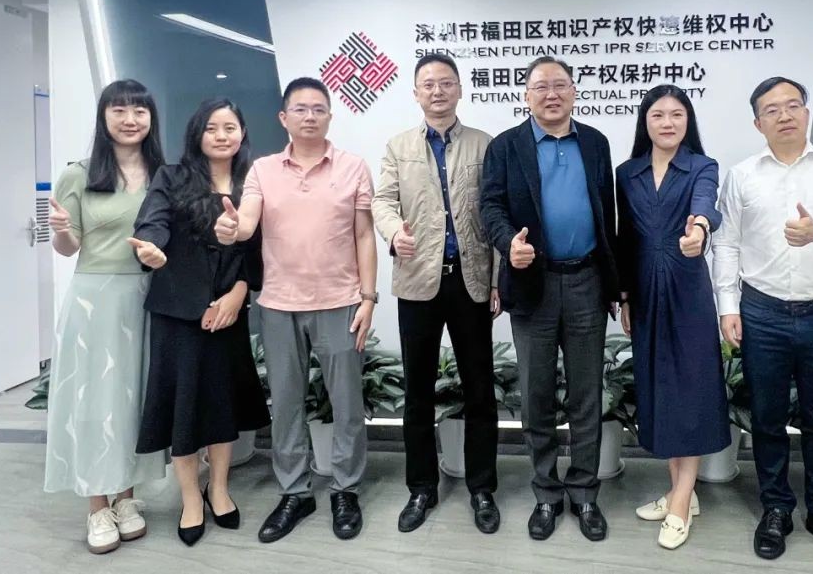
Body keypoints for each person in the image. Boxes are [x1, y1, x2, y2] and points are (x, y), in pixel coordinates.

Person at [214, 77, 378, 543]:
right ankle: (295, 491)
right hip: (279, 306)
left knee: (346, 404)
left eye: (318, 109)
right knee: (286, 404)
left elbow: (364, 235)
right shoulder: (263, 170)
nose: (310, 116)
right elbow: (247, 222)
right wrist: (232, 229)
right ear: (283, 118)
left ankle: (345, 489)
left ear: (330, 116)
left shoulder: (353, 167)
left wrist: (368, 298)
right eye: (300, 109)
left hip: (340, 302)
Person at [713, 76, 813, 568]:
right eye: (772, 109)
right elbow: (727, 242)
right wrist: (728, 306)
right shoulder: (742, 175)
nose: (784, 115)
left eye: (792, 105)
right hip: (762, 312)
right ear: (758, 123)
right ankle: (776, 508)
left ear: (806, 112)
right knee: (767, 417)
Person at [480, 55, 619, 543]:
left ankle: (584, 492)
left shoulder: (595, 143)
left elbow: (607, 217)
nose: (551, 94)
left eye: (560, 85)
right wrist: (508, 245)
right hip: (532, 286)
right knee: (536, 394)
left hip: (587, 282)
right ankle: (546, 492)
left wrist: (615, 286)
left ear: (574, 91)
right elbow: (490, 206)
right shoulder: (506, 146)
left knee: (586, 394)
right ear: (526, 95)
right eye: (541, 87)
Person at [372, 53, 501, 534]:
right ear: (416, 93)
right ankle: (421, 488)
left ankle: (482, 488)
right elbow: (382, 201)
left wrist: (497, 281)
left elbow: (497, 211)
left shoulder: (484, 144)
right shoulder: (398, 146)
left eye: (446, 83)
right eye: (428, 84)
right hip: (418, 282)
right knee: (418, 392)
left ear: (460, 89)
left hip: (470, 280)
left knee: (480, 390)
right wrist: (393, 232)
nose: (438, 91)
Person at [132, 98, 270, 546]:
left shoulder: (254, 183)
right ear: (197, 134)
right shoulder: (171, 177)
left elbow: (258, 250)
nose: (221, 135)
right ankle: (191, 497)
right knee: (185, 408)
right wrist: (150, 248)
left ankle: (220, 488)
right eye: (212, 128)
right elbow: (152, 224)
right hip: (178, 313)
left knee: (222, 404)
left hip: (229, 312)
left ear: (242, 133)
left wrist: (238, 293)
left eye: (230, 127)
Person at [44, 79, 167, 554]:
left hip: (146, 297)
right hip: (95, 300)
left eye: (139, 110)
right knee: (96, 401)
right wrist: (59, 230)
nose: (130, 119)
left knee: (133, 399)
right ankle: (97, 504)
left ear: (151, 118)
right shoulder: (78, 175)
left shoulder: (163, 174)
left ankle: (126, 497)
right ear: (104, 117)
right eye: (119, 110)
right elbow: (68, 247)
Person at [615, 85, 730, 550]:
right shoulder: (627, 173)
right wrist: (624, 295)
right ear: (645, 122)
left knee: (691, 388)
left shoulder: (702, 166)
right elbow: (624, 238)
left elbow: (706, 206)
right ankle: (680, 489)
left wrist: (698, 230)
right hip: (644, 289)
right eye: (658, 115)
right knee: (658, 386)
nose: (667, 123)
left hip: (687, 286)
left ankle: (681, 500)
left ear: (688, 121)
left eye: (677, 114)